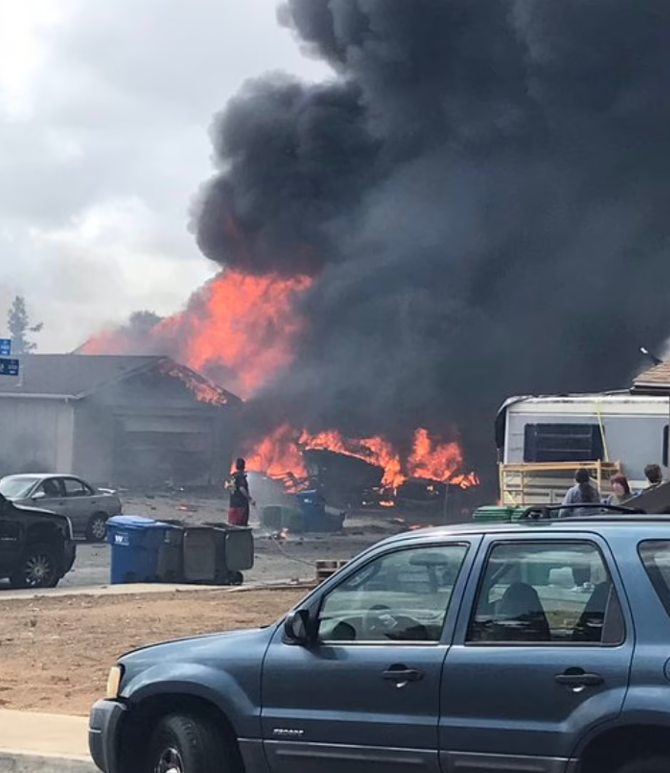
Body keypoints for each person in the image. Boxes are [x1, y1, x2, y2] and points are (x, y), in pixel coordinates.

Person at [226, 458, 255, 527]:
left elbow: (229, 487)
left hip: (232, 505)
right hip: (241, 506)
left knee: (232, 526)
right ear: (244, 466)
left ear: (236, 466)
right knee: (241, 526)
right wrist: (250, 499)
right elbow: (242, 488)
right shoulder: (241, 476)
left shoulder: (232, 477)